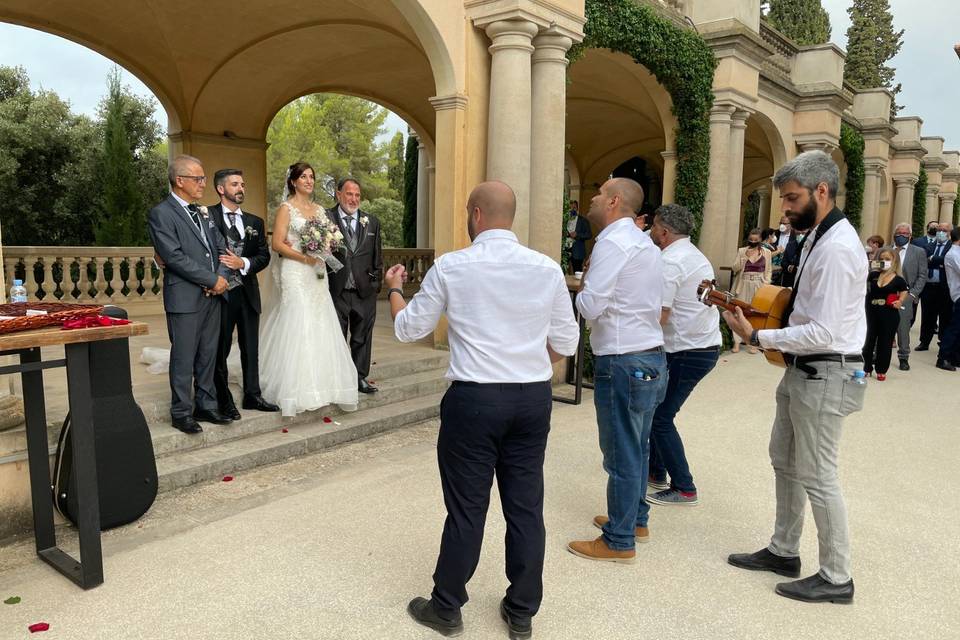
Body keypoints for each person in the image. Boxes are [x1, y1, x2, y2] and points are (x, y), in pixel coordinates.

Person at [387, 181, 578, 639]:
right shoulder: (546, 268)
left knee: (467, 508)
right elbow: (568, 342)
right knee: (526, 505)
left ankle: (447, 606)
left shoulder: (452, 266)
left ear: (475, 214)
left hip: (474, 400)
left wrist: (395, 289)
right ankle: (522, 609)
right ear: (510, 216)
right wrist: (527, 363)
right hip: (531, 397)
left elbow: (409, 329)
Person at [723, 150, 866, 604]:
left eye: (791, 198)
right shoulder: (817, 239)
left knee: (819, 474)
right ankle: (784, 550)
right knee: (784, 460)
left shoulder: (839, 248)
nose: (783, 208)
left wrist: (759, 337)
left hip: (825, 371)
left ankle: (837, 577)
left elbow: (825, 329)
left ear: (821, 191)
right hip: (803, 369)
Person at [566, 177, 667, 564]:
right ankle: (635, 518)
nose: (589, 199)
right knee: (637, 447)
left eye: (596, 194)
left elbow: (591, 306)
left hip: (623, 358)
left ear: (613, 201)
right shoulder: (644, 242)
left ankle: (619, 539)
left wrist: (579, 285)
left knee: (621, 452)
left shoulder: (612, 242)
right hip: (649, 354)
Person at [258, 163, 358, 416]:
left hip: (317, 274)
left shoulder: (320, 210)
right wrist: (305, 257)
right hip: (295, 270)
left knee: (320, 322)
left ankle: (323, 385)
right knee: (298, 322)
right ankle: (296, 389)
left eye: (311, 176)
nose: (309, 180)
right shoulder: (286, 209)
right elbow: (278, 244)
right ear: (292, 181)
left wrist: (325, 247)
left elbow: (330, 239)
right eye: (303, 176)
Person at [147, 155, 231, 434]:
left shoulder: (203, 212)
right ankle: (181, 411)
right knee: (184, 356)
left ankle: (206, 405)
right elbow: (173, 256)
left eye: (203, 178)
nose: (203, 184)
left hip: (213, 296)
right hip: (184, 298)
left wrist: (221, 279)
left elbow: (221, 247)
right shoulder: (161, 213)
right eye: (198, 179)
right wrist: (212, 279)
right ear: (179, 180)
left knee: (208, 353)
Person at [645, 204, 721, 507]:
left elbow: (660, 315)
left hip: (687, 350)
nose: (651, 232)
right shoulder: (694, 255)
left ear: (663, 232)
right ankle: (656, 470)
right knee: (658, 414)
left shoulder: (670, 262)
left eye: (653, 227)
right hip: (699, 346)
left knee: (660, 417)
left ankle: (684, 486)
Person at [208, 168, 279, 418]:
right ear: (221, 189)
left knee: (251, 347)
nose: (241, 189)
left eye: (243, 184)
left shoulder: (254, 222)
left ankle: (253, 395)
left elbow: (263, 256)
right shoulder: (207, 216)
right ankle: (222, 397)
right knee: (221, 347)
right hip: (220, 294)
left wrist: (244, 264)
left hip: (248, 293)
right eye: (235, 184)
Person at [325, 178, 383, 394]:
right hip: (336, 289)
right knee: (336, 337)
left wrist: (375, 284)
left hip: (364, 290)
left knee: (362, 337)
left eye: (357, 195)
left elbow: (378, 255)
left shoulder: (372, 221)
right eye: (349, 194)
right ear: (339, 194)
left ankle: (360, 377)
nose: (354, 199)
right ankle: (338, 379)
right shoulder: (326, 218)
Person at [862, 248, 908, 381]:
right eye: (881, 259)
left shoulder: (899, 279)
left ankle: (881, 369)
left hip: (889, 314)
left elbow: (904, 291)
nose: (884, 261)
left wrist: (900, 301)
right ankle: (866, 367)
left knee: (885, 342)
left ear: (894, 261)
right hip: (871, 311)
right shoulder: (873, 275)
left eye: (887, 259)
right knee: (868, 340)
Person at [891, 223, 928, 370]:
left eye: (905, 233)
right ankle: (876, 354)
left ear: (910, 236)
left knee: (903, 328)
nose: (901, 236)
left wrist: (912, 294)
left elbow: (922, 276)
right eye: (899, 233)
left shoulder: (918, 252)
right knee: (881, 326)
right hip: (886, 294)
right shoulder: (887, 250)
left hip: (905, 296)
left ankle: (903, 357)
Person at [730, 228, 772, 353]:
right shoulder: (742, 251)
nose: (753, 242)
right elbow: (734, 268)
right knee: (739, 312)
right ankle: (736, 342)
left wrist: (766, 283)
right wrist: (744, 259)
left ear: (760, 240)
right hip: (743, 284)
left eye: (756, 240)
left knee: (755, 313)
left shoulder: (767, 252)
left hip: (759, 284)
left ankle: (753, 342)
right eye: (751, 240)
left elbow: (768, 270)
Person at [916, 222, 954, 352]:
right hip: (928, 287)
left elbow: (947, 260)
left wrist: (933, 259)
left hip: (945, 287)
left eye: (944, 230)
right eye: (939, 230)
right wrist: (938, 261)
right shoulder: (928, 246)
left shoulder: (952, 247)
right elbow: (923, 260)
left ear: (950, 233)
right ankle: (924, 342)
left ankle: (942, 342)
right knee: (927, 316)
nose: (941, 232)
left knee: (945, 316)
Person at [935, 227, 960, 370]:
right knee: (955, 328)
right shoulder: (953, 254)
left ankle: (954, 357)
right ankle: (943, 357)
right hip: (958, 295)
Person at [565, 200, 592, 273]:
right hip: (565, 250)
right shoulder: (564, 220)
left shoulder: (583, 221)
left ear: (577, 208)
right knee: (562, 271)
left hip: (577, 251)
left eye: (574, 207)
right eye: (570, 208)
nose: (572, 209)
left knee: (577, 272)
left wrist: (577, 235)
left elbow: (589, 234)